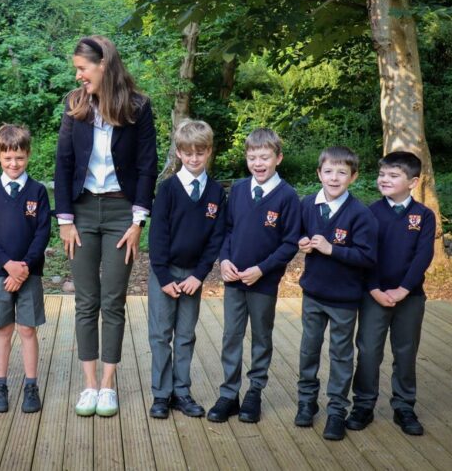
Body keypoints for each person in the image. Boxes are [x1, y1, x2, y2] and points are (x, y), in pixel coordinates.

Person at [55, 35, 158, 417]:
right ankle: (89, 386)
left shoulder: (137, 106)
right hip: (81, 213)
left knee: (113, 301)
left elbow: (148, 164)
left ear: (104, 65)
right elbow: (63, 163)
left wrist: (138, 221)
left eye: (83, 68)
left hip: (121, 214)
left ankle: (109, 386)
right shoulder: (75, 103)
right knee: (86, 301)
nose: (79, 76)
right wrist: (64, 219)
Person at [208, 128, 300, 424]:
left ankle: (254, 391)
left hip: (263, 282)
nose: (258, 163)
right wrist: (224, 261)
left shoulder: (287, 196)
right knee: (231, 336)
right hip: (234, 278)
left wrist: (262, 269)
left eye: (264, 157)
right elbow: (227, 229)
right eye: (252, 157)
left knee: (261, 337)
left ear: (278, 158)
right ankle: (228, 393)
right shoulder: (237, 190)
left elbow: (289, 243)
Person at [346, 151, 435, 436]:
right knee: (369, 350)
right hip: (374, 295)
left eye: (393, 175)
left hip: (410, 296)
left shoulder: (423, 216)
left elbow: (423, 256)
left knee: (405, 351)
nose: (384, 179)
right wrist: (374, 288)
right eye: (382, 174)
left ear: (413, 182)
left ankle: (404, 405)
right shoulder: (370, 212)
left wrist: (403, 290)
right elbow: (366, 255)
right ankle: (363, 403)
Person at [295, 146, 378, 441]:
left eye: (342, 172)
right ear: (319, 173)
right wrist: (302, 242)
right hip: (313, 293)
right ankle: (306, 402)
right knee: (309, 349)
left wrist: (333, 249)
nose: (334, 177)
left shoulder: (360, 214)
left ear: (353, 177)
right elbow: (297, 234)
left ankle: (336, 411)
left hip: (344, 299)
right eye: (328, 171)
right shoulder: (308, 204)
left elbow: (368, 258)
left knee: (341, 355)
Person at [147, 120, 226, 419]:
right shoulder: (167, 190)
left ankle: (182, 392)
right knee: (160, 334)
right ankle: (161, 393)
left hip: (193, 276)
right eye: (188, 152)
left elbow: (216, 238)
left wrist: (199, 275)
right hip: (165, 275)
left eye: (200, 152)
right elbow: (157, 237)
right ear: (179, 153)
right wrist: (164, 277)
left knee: (185, 335)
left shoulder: (216, 193)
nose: (194, 158)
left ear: (208, 152)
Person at [0, 124, 51, 414]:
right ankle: (1, 386)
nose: (14, 164)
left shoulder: (38, 191)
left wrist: (23, 268)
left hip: (30, 273)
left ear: (28, 155)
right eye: (8, 158)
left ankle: (31, 385)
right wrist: (9, 266)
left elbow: (43, 233)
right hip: (0, 272)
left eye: (20, 158)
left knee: (27, 329)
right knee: (4, 329)